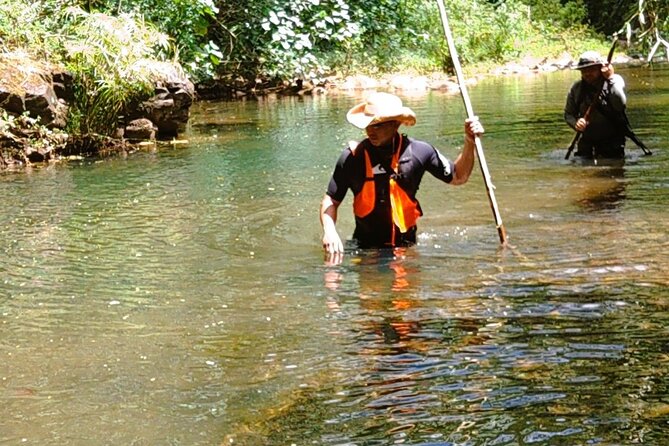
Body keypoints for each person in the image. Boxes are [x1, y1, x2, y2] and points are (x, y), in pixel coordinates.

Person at [319, 91, 484, 259]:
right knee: (364, 284)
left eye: (377, 125)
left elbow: (458, 176)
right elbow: (331, 200)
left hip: (406, 248)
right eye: (368, 124)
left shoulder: (420, 152)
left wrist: (469, 141)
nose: (370, 130)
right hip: (366, 248)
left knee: (407, 285)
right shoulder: (352, 157)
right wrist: (330, 231)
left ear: (396, 124)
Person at [564, 50, 627, 160]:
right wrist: (576, 124)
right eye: (584, 70)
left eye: (592, 69)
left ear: (600, 68)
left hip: (612, 141)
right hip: (586, 141)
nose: (587, 73)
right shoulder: (576, 88)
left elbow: (620, 105)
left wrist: (610, 78)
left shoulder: (615, 81)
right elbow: (568, 114)